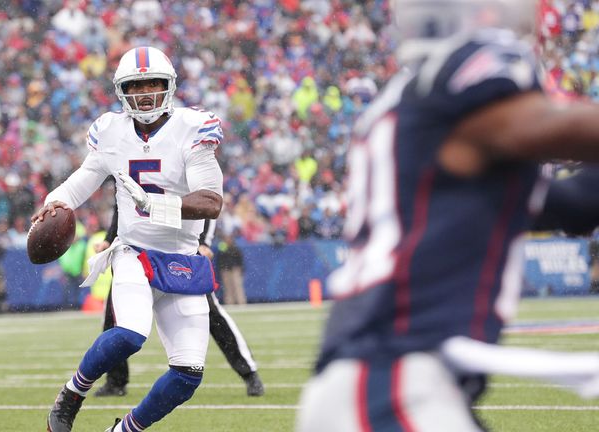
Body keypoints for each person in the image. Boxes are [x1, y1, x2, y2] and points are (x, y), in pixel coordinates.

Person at [297, 1, 599, 431]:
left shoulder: (413, 108)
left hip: (385, 378)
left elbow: (574, 204)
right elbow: (555, 128)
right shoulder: (460, 90)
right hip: (389, 380)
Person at [35, 46, 224, 432]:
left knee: (188, 374)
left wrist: (156, 205)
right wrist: (53, 203)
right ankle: (72, 394)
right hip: (133, 252)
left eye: (153, 83)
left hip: (182, 259)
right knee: (129, 334)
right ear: (123, 91)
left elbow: (211, 202)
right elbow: (82, 181)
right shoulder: (111, 131)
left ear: (168, 87)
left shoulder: (192, 128)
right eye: (136, 86)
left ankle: (124, 430)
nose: (145, 93)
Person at [92, 207, 264, 398]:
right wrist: (109, 239)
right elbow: (122, 207)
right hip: (137, 253)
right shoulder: (127, 178)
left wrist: (203, 241)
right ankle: (116, 381)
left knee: (211, 313)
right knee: (115, 317)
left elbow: (208, 200)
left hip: (176, 249)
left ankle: (249, 372)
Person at [215, 232, 247, 305]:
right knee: (228, 287)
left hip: (235, 269)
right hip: (226, 270)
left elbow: (240, 260)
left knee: (237, 286)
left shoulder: (235, 248)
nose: (228, 240)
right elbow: (220, 258)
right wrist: (222, 268)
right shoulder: (223, 248)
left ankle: (241, 302)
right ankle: (229, 302)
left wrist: (240, 269)